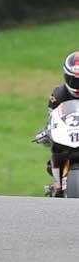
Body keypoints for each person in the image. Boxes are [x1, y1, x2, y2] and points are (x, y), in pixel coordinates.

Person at [43, 52, 79, 196]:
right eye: (74, 80)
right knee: (56, 149)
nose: (77, 86)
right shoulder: (58, 94)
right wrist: (46, 132)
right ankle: (58, 188)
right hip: (68, 135)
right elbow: (51, 117)